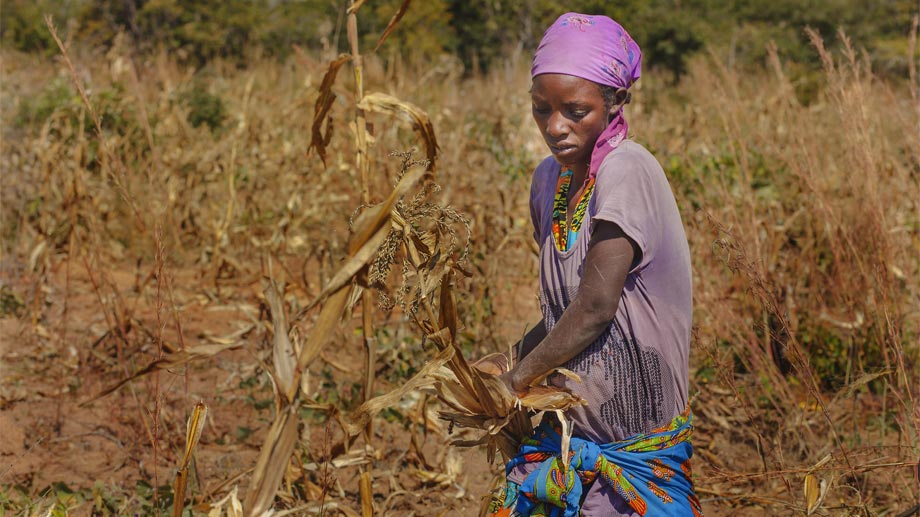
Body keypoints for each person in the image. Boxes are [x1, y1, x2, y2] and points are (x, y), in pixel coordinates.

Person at [483, 12, 702, 517]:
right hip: (565, 439)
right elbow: (564, 312)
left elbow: (595, 309)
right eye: (542, 110)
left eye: (576, 111)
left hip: (633, 454)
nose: (555, 127)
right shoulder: (548, 180)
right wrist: (502, 361)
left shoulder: (628, 169)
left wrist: (515, 382)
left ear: (614, 102)